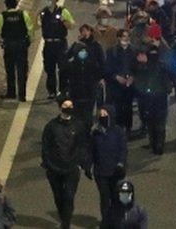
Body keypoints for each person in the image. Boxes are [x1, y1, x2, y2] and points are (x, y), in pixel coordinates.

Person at [41, 98, 91, 229]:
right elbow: (45, 147)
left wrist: (81, 163)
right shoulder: (51, 126)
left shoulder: (78, 125)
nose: (68, 108)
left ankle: (66, 224)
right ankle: (64, 217)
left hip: (72, 168)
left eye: (71, 105)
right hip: (54, 168)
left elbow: (83, 145)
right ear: (60, 107)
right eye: (65, 105)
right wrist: (48, 163)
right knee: (58, 197)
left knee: (69, 196)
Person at [0, 0, 34, 102]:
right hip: (21, 46)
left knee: (10, 70)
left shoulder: (3, 16)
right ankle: (22, 95)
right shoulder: (23, 14)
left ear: (6, 4)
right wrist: (29, 40)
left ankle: (11, 93)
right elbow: (30, 29)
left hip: (9, 47)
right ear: (16, 3)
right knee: (22, 71)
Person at [92, 106, 128, 227]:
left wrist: (120, 163)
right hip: (101, 172)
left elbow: (123, 149)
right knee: (104, 197)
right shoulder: (95, 132)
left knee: (115, 197)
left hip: (115, 172)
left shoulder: (118, 131)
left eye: (105, 115)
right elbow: (90, 151)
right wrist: (88, 166)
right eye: (100, 115)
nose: (103, 118)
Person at [133, 44, 172, 155]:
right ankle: (159, 145)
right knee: (159, 123)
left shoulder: (144, 67)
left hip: (149, 99)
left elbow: (139, 82)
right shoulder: (162, 65)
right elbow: (169, 80)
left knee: (152, 123)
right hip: (160, 99)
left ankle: (155, 144)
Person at [39, 0, 75, 99]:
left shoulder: (63, 11)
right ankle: (52, 91)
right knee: (49, 69)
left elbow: (72, 25)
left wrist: (64, 21)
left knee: (63, 68)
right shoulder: (43, 13)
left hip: (60, 44)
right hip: (48, 44)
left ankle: (63, 90)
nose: (49, 0)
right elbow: (35, 25)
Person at [64, 25, 106, 120]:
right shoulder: (77, 45)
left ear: (90, 32)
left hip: (91, 80)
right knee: (77, 107)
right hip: (78, 81)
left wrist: (101, 77)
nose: (84, 33)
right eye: (82, 31)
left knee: (89, 106)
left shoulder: (96, 46)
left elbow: (102, 62)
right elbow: (67, 57)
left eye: (86, 31)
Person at [106, 30, 137, 132]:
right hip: (116, 84)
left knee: (128, 106)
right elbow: (108, 68)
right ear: (119, 38)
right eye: (124, 36)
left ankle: (128, 127)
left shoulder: (133, 50)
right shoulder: (112, 51)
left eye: (128, 36)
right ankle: (119, 127)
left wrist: (132, 77)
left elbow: (137, 67)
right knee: (118, 106)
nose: (126, 39)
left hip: (129, 84)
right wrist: (116, 77)